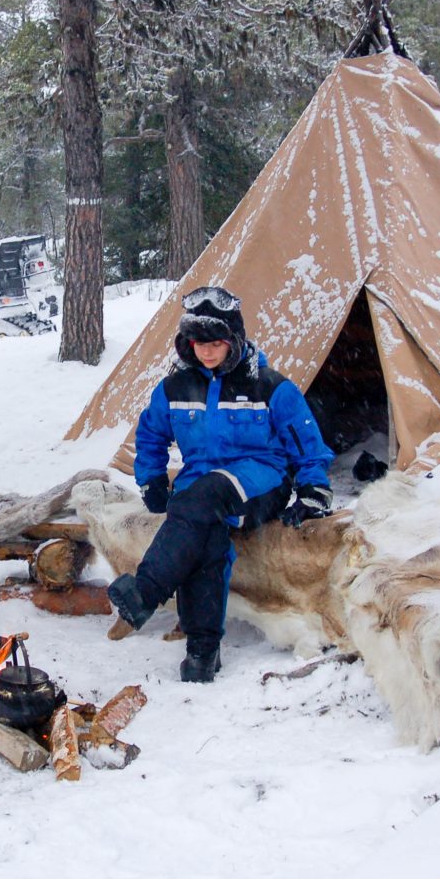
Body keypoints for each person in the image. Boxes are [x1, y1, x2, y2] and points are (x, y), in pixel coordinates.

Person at [107, 286, 334, 683]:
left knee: (203, 497)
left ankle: (145, 591)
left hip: (263, 480)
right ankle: (202, 651)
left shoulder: (268, 386)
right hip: (201, 491)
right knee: (204, 534)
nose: (206, 352)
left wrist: (313, 490)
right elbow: (150, 435)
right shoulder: (175, 388)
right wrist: (152, 479)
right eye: (198, 343)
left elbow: (306, 441)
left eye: (215, 343)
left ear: (233, 340)